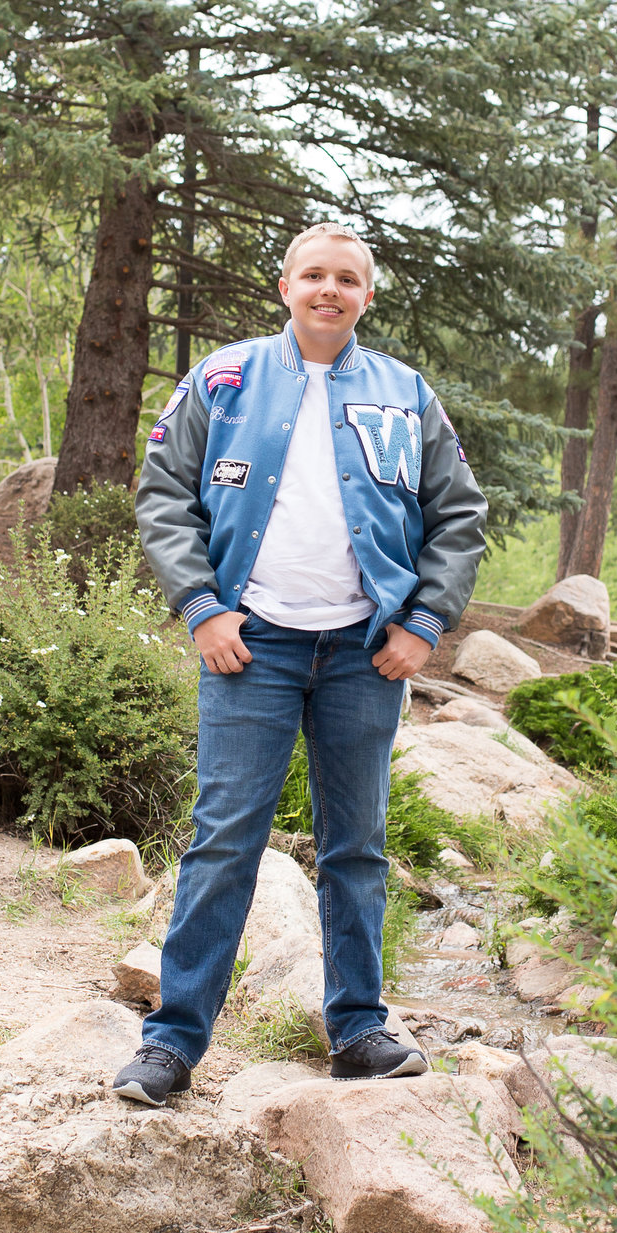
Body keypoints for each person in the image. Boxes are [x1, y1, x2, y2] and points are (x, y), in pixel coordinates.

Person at [112, 223, 488, 1105]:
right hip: (252, 648)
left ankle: (358, 1027)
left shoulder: (405, 393)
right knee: (223, 841)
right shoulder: (224, 378)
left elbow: (458, 513)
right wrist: (202, 607)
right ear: (284, 286)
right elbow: (164, 491)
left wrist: (425, 622)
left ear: (366, 296)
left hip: (367, 653)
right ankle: (171, 1044)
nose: (329, 290)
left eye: (346, 279)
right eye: (313, 275)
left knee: (356, 846)